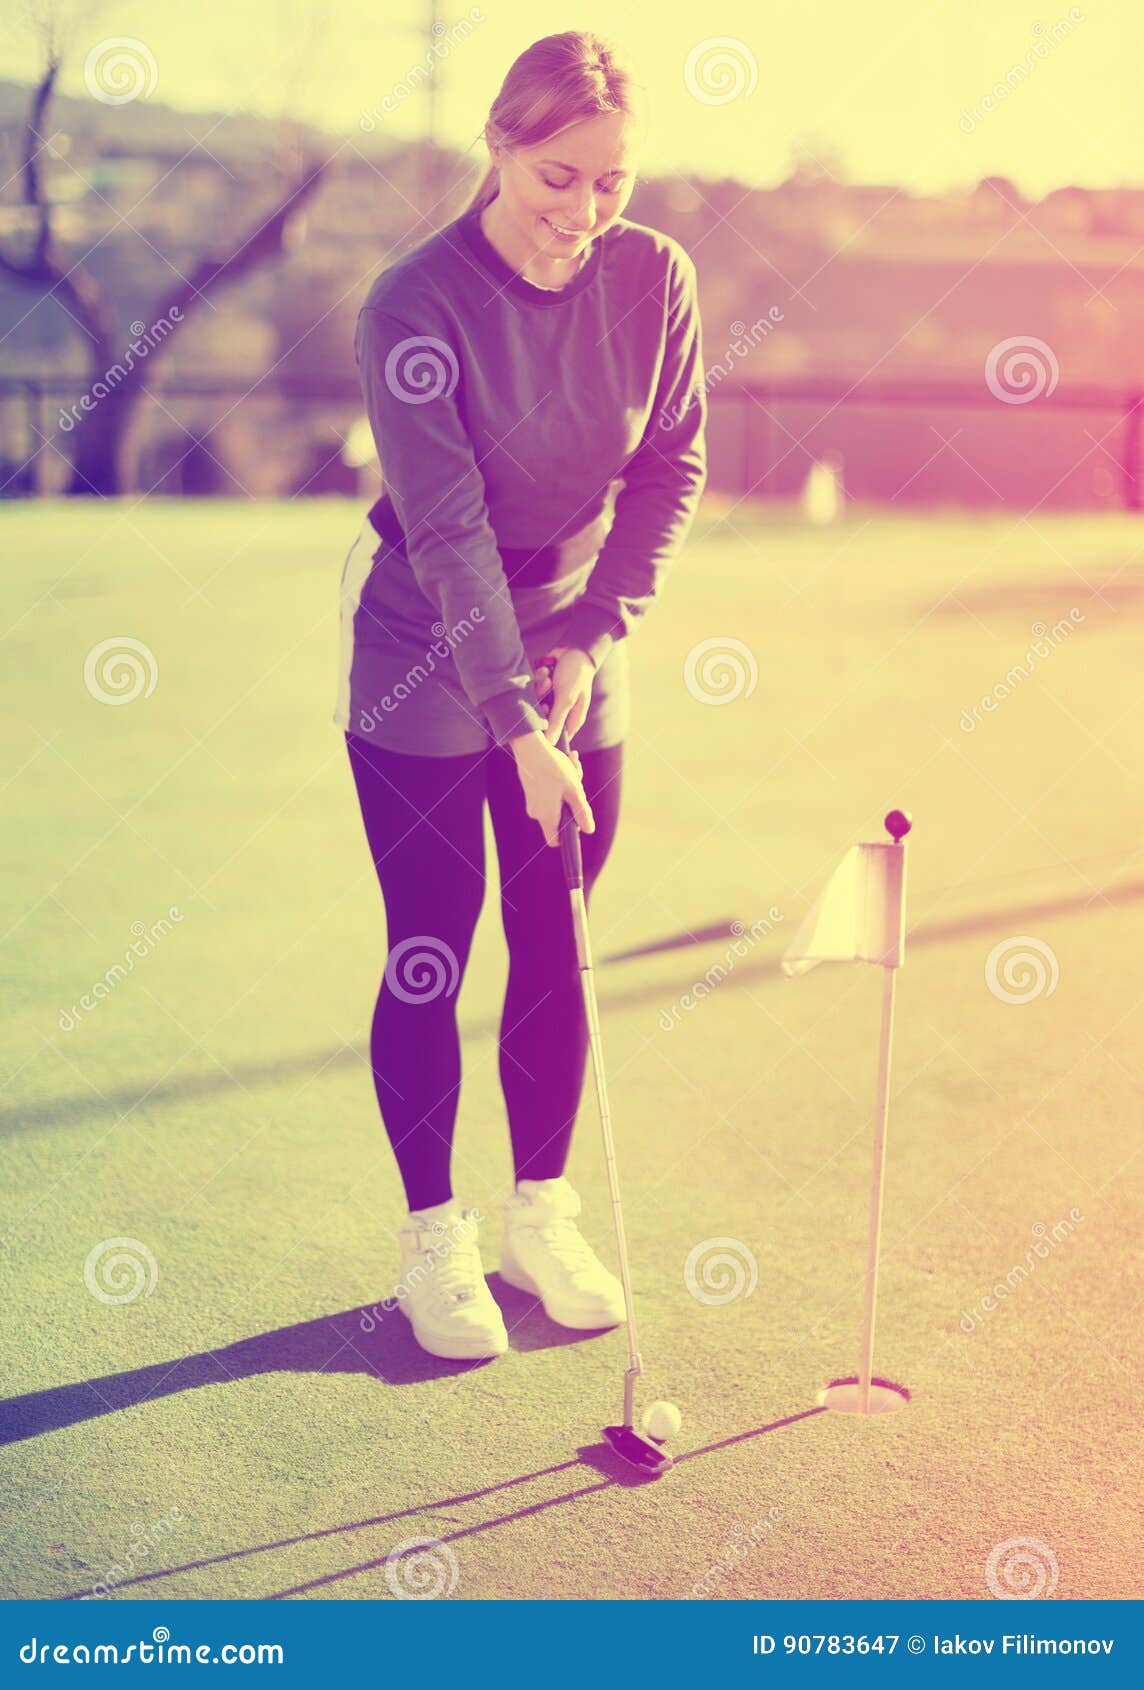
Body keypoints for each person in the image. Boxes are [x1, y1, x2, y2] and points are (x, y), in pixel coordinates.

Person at [336, 30, 707, 1361]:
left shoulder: (652, 276)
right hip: (422, 635)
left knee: (558, 934)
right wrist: (509, 715)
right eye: (559, 177)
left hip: (570, 632)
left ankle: (538, 1215)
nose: (585, 212)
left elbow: (673, 461)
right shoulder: (414, 302)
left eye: (612, 182)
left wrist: (595, 634)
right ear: (497, 146)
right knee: (435, 936)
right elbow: (444, 533)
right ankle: (434, 1234)